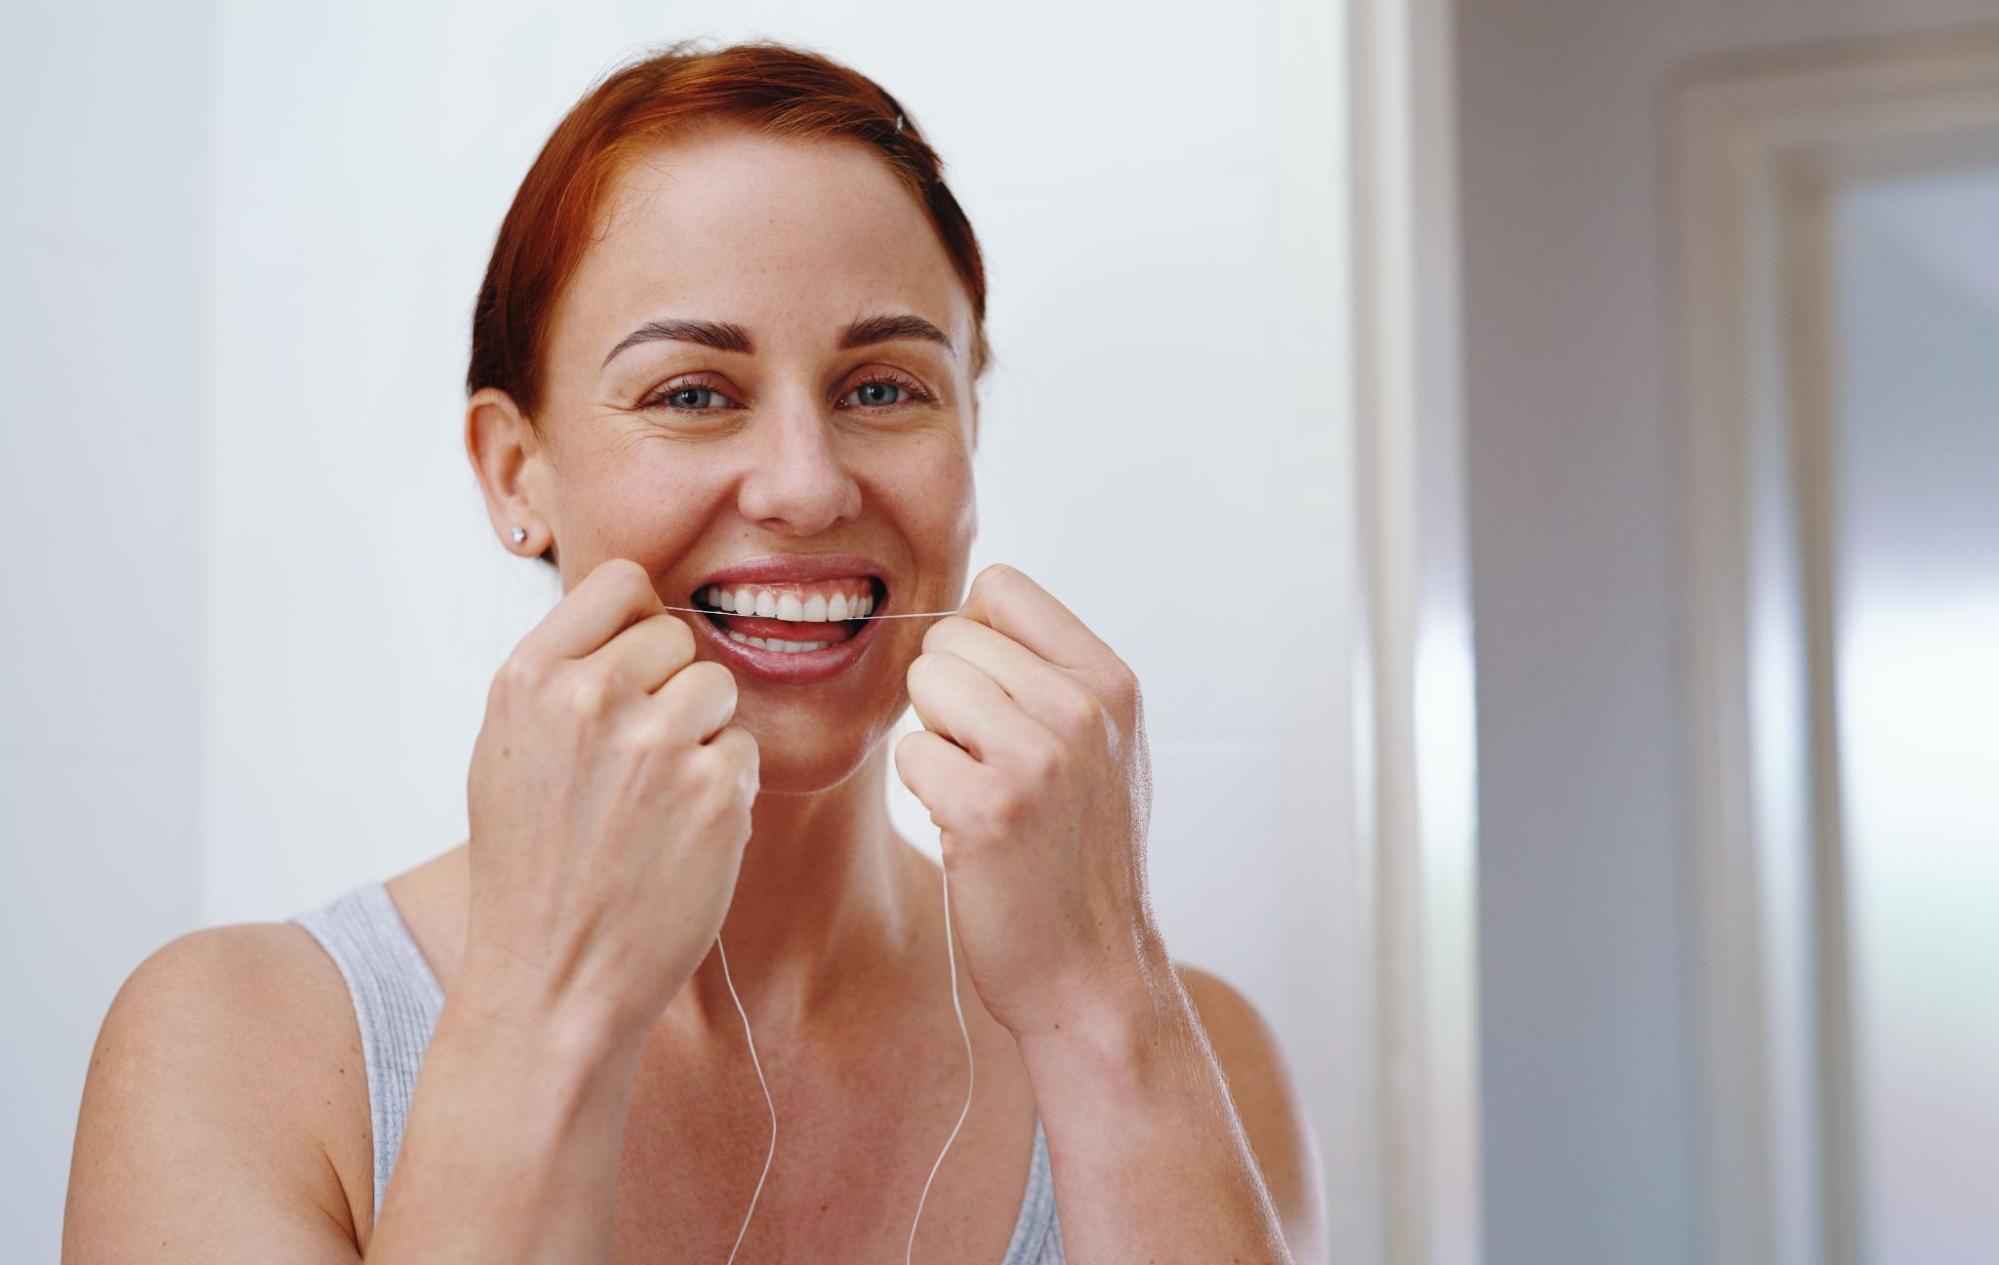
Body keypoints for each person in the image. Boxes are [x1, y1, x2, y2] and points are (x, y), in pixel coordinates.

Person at [62, 38, 1327, 1264]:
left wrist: (1108, 1002)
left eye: (884, 387)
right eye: (692, 392)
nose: (805, 485)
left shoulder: (1189, 1048)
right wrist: (540, 1005)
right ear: (517, 471)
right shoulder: (235, 1050)